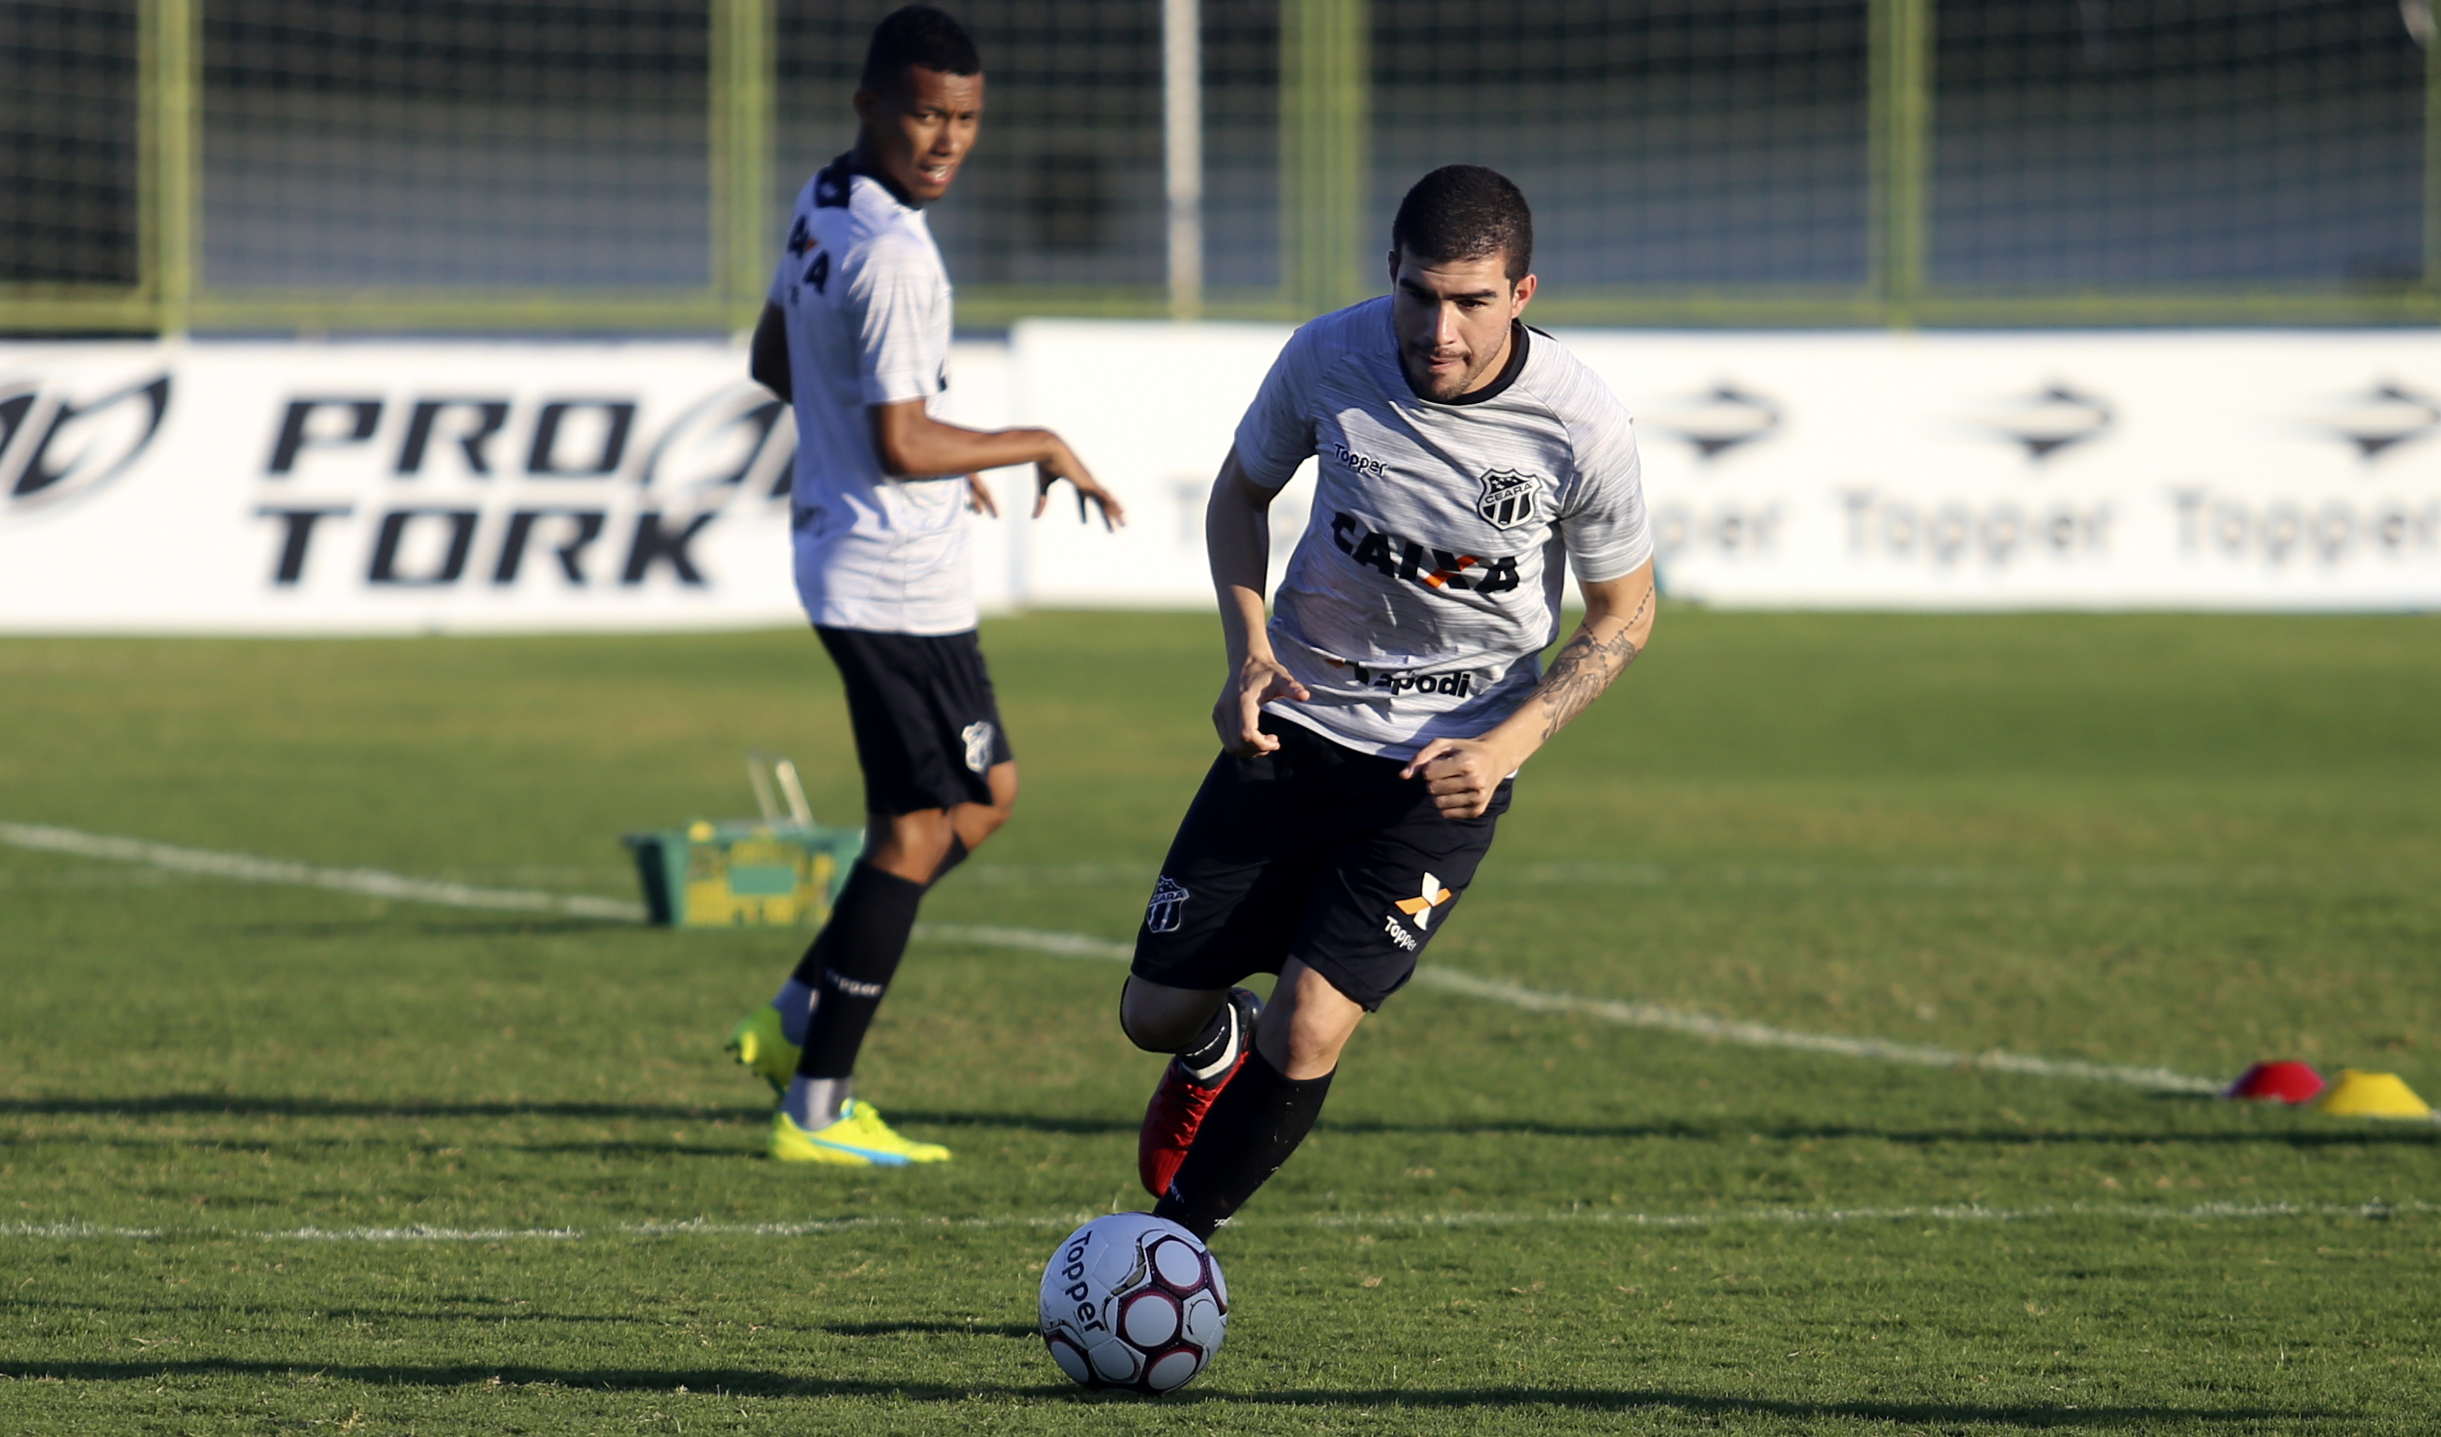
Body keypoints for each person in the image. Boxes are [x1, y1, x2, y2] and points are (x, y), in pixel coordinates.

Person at [1119, 164, 1655, 1236]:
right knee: (1152, 1015)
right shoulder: (1328, 355)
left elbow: (1625, 614)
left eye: (1470, 301)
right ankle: (1211, 1042)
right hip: (1294, 729)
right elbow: (1239, 493)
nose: (1439, 329)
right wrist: (1246, 653)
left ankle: (1169, 1248)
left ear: (1522, 293)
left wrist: (1510, 743)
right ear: (1391, 277)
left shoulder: (1580, 426)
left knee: (1311, 1026)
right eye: (1419, 294)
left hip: (1438, 778)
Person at [728, 4, 1125, 1167]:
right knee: (912, 831)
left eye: (964, 120)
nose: (944, 140)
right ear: (870, 108)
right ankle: (816, 1106)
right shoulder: (896, 259)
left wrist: (916, 463)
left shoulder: (829, 198)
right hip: (889, 582)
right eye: (922, 114)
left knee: (985, 795)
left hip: (870, 557)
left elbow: (772, 361)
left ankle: (795, 1014)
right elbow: (903, 442)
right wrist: (1027, 441)